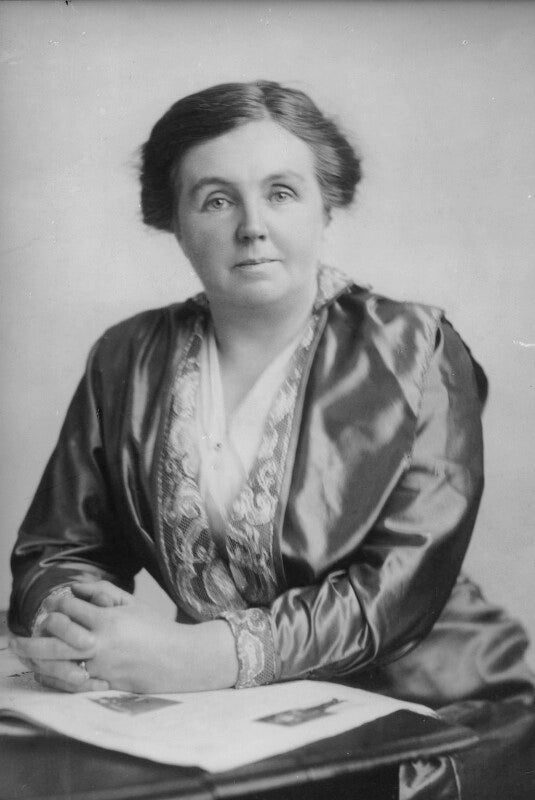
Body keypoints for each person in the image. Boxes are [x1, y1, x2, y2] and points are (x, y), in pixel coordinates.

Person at [8, 81, 535, 798]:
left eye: (281, 193)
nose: (251, 226)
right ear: (173, 221)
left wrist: (205, 656)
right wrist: (68, 623)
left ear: (326, 206)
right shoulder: (127, 356)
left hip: (433, 711)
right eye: (216, 200)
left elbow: (398, 587)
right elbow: (61, 546)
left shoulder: (415, 347)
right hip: (227, 720)